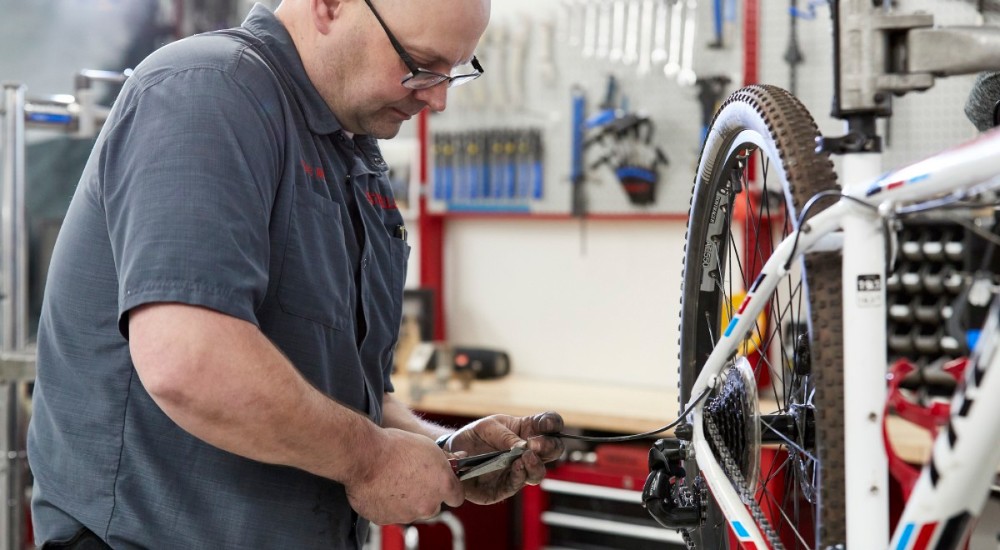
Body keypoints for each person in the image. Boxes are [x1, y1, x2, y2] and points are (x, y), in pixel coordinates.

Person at [26, 0, 565, 548]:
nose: (438, 97)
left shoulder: (349, 149)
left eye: (454, 72)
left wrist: (442, 453)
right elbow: (190, 360)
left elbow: (336, 390)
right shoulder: (206, 91)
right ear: (329, 6)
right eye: (420, 64)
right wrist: (371, 460)